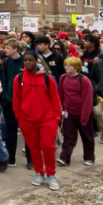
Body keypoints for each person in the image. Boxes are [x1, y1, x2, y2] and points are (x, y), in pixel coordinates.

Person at [13, 51, 63, 190]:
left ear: (37, 61)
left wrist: (56, 119)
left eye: (30, 60)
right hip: (27, 121)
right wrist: (20, 118)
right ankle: (39, 173)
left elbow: (55, 100)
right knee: (34, 149)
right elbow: (16, 100)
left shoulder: (48, 79)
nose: (27, 62)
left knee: (48, 147)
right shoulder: (19, 78)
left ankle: (51, 175)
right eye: (25, 60)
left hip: (47, 121)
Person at [0, 38, 31, 169]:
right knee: (10, 131)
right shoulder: (6, 62)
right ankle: (11, 157)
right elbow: (5, 79)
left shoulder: (26, 61)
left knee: (27, 131)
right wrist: (6, 95)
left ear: (15, 49)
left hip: (25, 102)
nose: (4, 50)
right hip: (9, 101)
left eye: (7, 48)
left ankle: (30, 159)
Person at [57, 57, 95, 166]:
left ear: (76, 67)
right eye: (66, 65)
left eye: (69, 65)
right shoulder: (63, 78)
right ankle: (64, 158)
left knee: (87, 137)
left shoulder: (84, 80)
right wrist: (61, 109)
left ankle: (89, 157)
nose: (66, 67)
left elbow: (88, 99)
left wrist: (84, 117)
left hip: (83, 113)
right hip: (69, 113)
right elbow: (60, 95)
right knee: (68, 137)